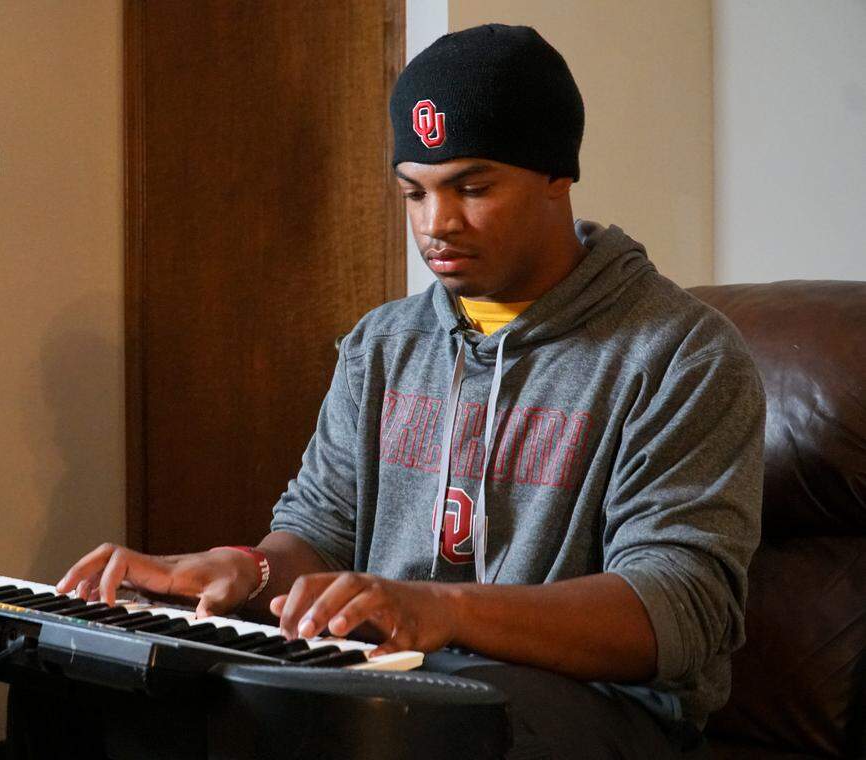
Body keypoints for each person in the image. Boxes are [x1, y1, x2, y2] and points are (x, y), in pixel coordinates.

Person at [52, 24, 765, 758]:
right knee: (111, 696)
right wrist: (247, 566)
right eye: (413, 193)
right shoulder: (384, 344)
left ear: (558, 174)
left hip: (600, 707)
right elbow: (319, 532)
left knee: (385, 732)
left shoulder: (681, 354)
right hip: (388, 672)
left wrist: (443, 609)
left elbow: (677, 609)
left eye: (472, 186)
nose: (436, 225)